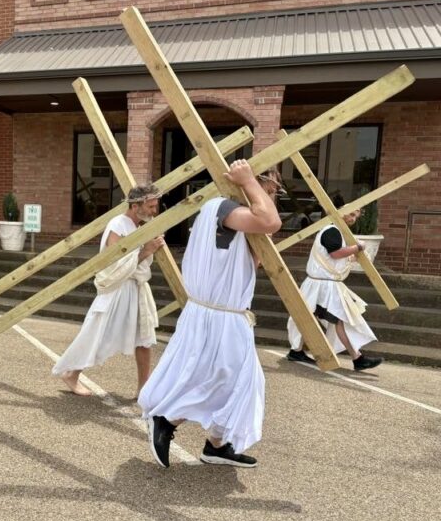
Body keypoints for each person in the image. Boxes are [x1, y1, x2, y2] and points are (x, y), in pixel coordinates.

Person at [140, 160, 283, 469]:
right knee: (219, 379)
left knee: (243, 383)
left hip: (225, 314)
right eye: (270, 189)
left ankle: (217, 445)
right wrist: (249, 181)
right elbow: (271, 221)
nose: (271, 196)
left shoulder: (229, 215)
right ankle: (166, 419)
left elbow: (246, 263)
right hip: (218, 316)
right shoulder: (223, 207)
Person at [52, 184, 166, 396]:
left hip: (135, 289)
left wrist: (149, 245)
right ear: (135, 206)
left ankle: (143, 388)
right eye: (150, 206)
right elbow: (115, 263)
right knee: (97, 334)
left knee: (144, 338)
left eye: (154, 206)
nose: (154, 211)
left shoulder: (139, 227)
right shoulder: (118, 224)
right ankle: (71, 374)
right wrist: (146, 250)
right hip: (116, 290)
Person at [286, 210, 382, 371]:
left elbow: (334, 257)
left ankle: (296, 351)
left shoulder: (336, 232)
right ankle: (357, 358)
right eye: (351, 214)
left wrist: (352, 255)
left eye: (356, 216)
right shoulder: (332, 230)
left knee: (317, 317)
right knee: (337, 319)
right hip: (322, 286)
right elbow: (336, 254)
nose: (353, 219)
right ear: (341, 212)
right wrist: (358, 247)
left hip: (323, 285)